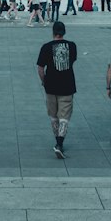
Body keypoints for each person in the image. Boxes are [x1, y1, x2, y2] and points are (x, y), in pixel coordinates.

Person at [36, 19, 77, 159]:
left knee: (53, 116)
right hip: (67, 85)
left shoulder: (46, 47)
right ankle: (60, 143)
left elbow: (40, 68)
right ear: (64, 32)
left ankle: (57, 141)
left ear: (53, 32)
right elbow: (72, 61)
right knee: (64, 117)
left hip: (51, 86)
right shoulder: (72, 46)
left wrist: (44, 81)